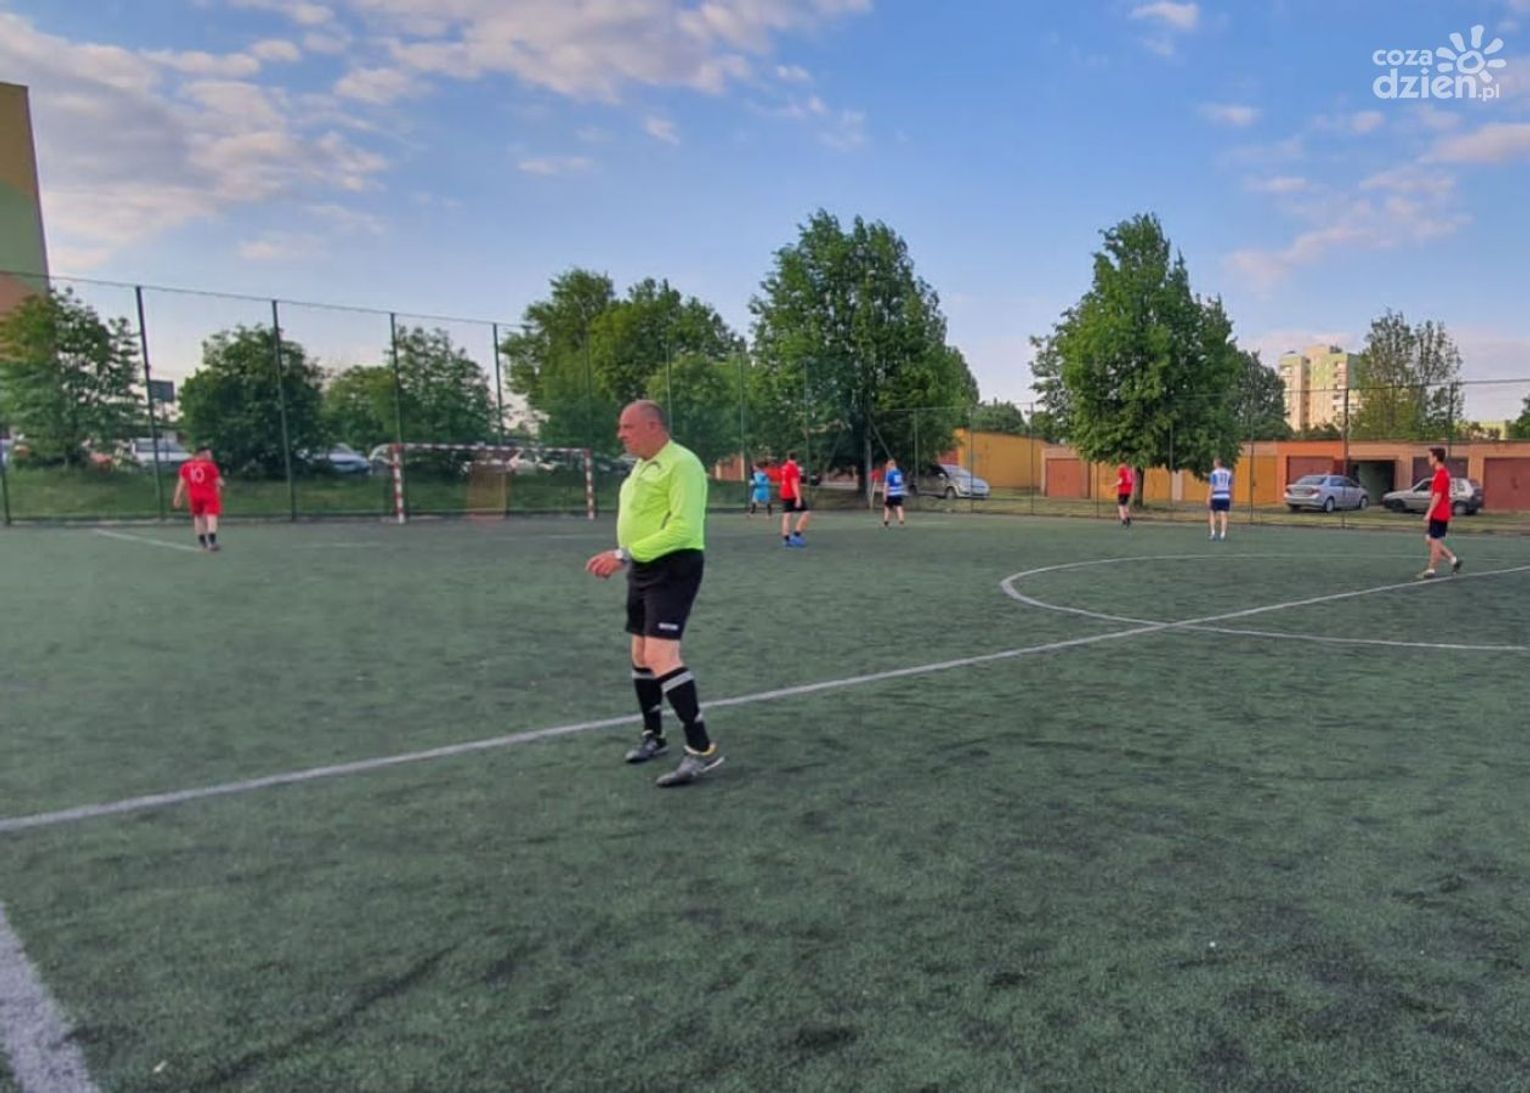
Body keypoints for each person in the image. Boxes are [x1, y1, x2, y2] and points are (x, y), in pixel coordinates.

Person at [585, 400, 723, 787]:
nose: (620, 434)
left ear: (652, 426)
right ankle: (654, 736)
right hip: (644, 566)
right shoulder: (642, 466)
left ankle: (702, 749)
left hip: (674, 566)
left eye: (627, 427)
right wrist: (628, 555)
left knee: (661, 655)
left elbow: (683, 529)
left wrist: (622, 554)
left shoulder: (683, 464)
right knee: (641, 654)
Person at [1417, 446, 1463, 580]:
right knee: (1429, 540)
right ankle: (1454, 560)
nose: (1428, 459)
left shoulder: (1441, 475)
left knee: (1435, 542)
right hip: (1441, 512)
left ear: (1436, 458)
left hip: (1439, 513)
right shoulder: (1441, 474)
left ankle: (1431, 570)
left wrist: (1429, 513)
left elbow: (1437, 496)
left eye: (1430, 457)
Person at [172, 445, 224, 551]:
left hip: (194, 495)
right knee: (212, 516)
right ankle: (212, 542)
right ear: (202, 454)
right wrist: (222, 485)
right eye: (208, 454)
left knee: (198, 517)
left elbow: (181, 483)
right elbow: (219, 481)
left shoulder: (186, 466)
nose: (210, 456)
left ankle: (202, 542)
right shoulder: (209, 466)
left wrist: (177, 497)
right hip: (209, 495)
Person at [779, 450, 811, 547]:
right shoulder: (793, 468)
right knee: (806, 513)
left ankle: (786, 540)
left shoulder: (784, 467)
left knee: (786, 516)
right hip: (792, 494)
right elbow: (794, 483)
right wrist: (798, 498)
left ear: (788, 457)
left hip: (784, 493)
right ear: (796, 458)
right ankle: (796, 535)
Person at [1207, 458, 1233, 541]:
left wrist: (1208, 497)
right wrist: (1231, 497)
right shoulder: (1228, 473)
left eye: (1213, 463)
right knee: (1224, 515)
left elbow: (1212, 486)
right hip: (1225, 496)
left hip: (1216, 496)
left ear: (1216, 464)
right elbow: (1230, 487)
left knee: (1212, 513)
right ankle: (1223, 534)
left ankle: (1213, 533)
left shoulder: (1214, 473)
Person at [881, 458, 908, 527]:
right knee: (899, 507)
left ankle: (886, 523)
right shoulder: (899, 472)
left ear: (891, 465)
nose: (887, 466)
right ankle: (901, 523)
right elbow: (900, 482)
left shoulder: (889, 474)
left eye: (888, 465)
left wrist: (884, 495)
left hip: (890, 494)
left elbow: (886, 486)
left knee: (887, 508)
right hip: (898, 494)